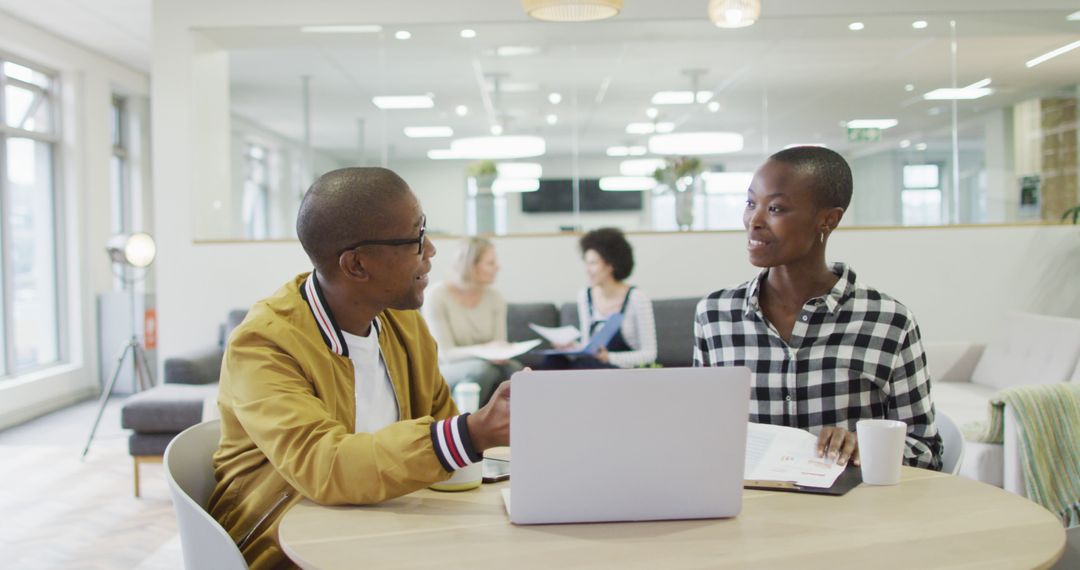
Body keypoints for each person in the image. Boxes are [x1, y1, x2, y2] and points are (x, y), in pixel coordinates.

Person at [207, 167, 511, 569]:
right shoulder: (264, 344)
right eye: (417, 238)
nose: (432, 251)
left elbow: (441, 434)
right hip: (288, 551)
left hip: (388, 534)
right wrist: (473, 433)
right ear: (356, 265)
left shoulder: (402, 323)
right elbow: (324, 465)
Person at [693, 146, 943, 471]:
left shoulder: (889, 322)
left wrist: (865, 447)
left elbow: (927, 452)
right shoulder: (715, 316)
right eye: (752, 203)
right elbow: (700, 437)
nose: (754, 221)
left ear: (828, 219)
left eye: (776, 208)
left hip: (852, 514)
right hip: (751, 510)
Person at [423, 237, 523, 407]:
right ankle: (463, 424)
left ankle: (518, 427)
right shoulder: (436, 296)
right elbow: (445, 353)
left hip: (487, 365)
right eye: (491, 263)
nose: (497, 268)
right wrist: (484, 351)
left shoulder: (496, 298)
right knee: (482, 370)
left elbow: (499, 344)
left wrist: (501, 351)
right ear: (471, 266)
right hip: (447, 367)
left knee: (516, 371)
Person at [544, 227, 657, 369]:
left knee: (590, 365)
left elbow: (650, 354)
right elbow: (588, 347)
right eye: (586, 263)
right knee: (554, 359)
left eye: (593, 263)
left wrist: (609, 357)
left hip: (622, 371)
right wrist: (571, 347)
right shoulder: (585, 295)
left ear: (610, 264)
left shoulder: (637, 298)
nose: (587, 269)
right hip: (594, 367)